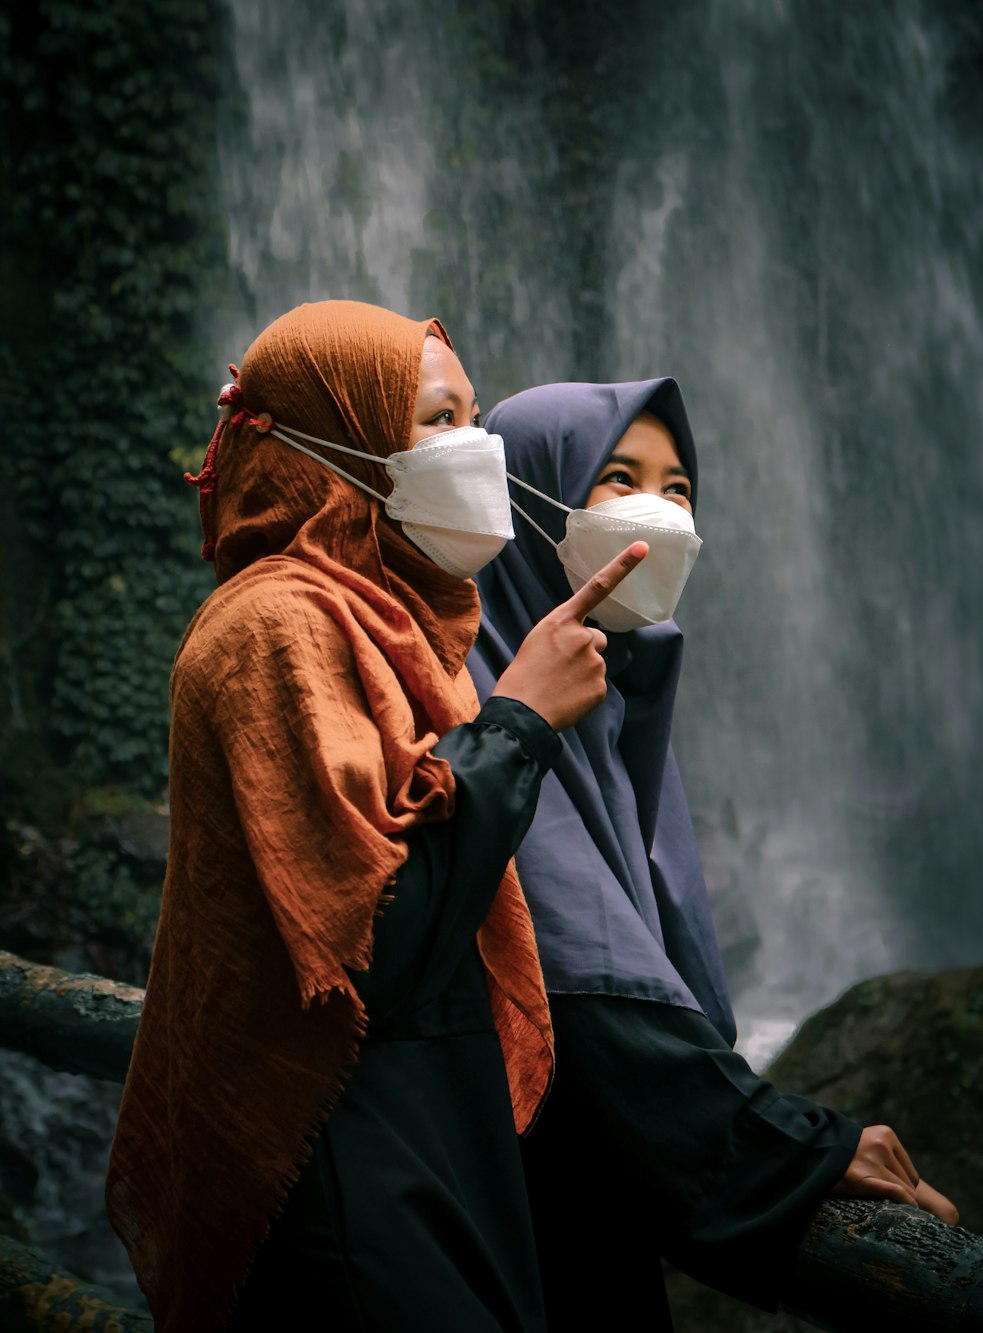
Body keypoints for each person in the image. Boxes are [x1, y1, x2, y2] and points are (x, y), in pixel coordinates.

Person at [105, 302, 649, 1333]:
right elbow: (372, 941)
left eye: (475, 414)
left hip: (418, 1141)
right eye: (439, 420)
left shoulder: (385, 620)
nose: (477, 448)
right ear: (340, 444)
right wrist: (520, 720)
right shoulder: (276, 625)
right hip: (342, 1172)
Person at [468, 378, 958, 1329]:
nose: (659, 510)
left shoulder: (610, 698)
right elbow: (583, 998)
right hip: (497, 1230)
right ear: (526, 494)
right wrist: (804, 1148)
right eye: (618, 476)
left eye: (679, 486)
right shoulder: (473, 696)